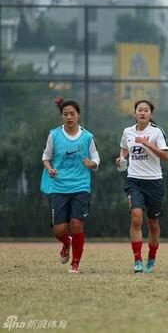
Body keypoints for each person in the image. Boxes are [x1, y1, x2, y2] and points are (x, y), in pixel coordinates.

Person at [40, 96, 100, 274]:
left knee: (76, 225)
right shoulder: (54, 135)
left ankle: (75, 264)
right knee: (59, 230)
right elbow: (46, 157)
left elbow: (96, 157)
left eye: (72, 114)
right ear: (62, 116)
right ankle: (66, 243)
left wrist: (92, 163)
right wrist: (50, 168)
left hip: (81, 186)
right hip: (58, 187)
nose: (69, 117)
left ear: (78, 115)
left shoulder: (87, 136)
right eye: (65, 114)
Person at [116, 100, 168, 274]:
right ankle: (137, 260)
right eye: (139, 110)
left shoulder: (156, 132)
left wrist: (147, 144)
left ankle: (151, 257)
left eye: (146, 110)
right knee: (136, 218)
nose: (142, 113)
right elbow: (124, 148)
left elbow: (166, 155)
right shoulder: (127, 132)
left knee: (153, 222)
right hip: (134, 181)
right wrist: (121, 159)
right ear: (134, 113)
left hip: (154, 182)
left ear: (151, 115)